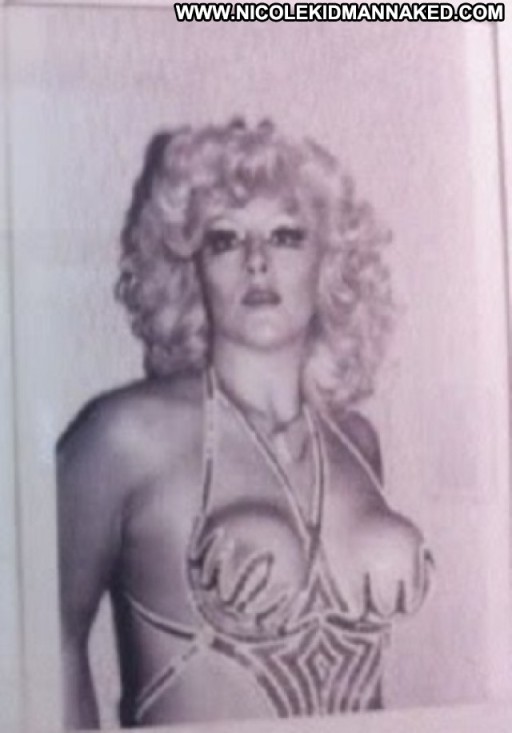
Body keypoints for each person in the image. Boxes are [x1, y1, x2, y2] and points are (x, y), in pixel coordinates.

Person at [57, 119, 433, 730]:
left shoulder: (357, 441)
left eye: (285, 236)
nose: (257, 262)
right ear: (191, 268)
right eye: (225, 240)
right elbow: (45, 636)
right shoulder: (123, 437)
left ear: (330, 261)